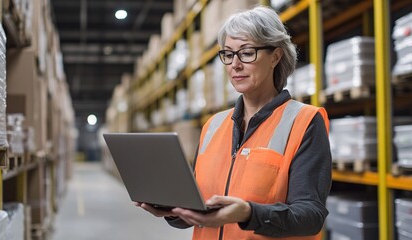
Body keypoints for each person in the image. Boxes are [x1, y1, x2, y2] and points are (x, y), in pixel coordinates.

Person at [135, 5, 332, 240]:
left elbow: (310, 216)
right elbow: (202, 209)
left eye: (247, 53)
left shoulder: (304, 121)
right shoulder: (213, 126)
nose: (234, 65)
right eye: (228, 54)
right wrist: (172, 210)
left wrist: (249, 214)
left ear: (276, 56)